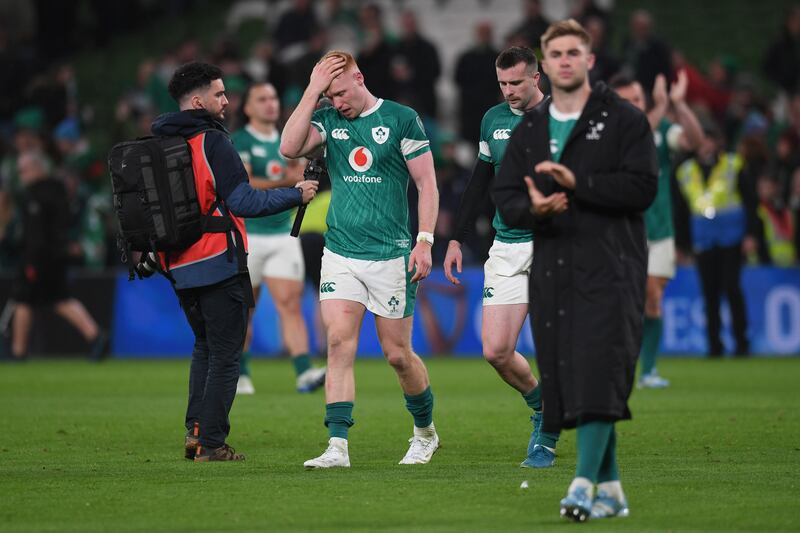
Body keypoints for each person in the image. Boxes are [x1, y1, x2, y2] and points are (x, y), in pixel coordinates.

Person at [493, 19, 657, 521]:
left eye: (573, 52)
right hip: (553, 270)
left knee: (596, 372)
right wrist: (534, 211)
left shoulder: (625, 120)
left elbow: (641, 189)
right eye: (556, 52)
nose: (565, 60)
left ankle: (583, 484)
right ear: (547, 60)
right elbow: (507, 196)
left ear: (588, 59)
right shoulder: (532, 130)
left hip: (611, 265)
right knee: (569, 377)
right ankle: (611, 489)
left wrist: (578, 183)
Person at [149, 61, 318, 462]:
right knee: (226, 354)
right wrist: (295, 194)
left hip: (177, 263)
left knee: (204, 348)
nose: (226, 101)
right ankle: (211, 443)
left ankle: (195, 433)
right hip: (216, 259)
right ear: (197, 100)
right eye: (219, 94)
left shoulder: (161, 142)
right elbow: (243, 200)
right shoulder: (213, 141)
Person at [281, 50, 440, 468]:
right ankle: (337, 447)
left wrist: (424, 240)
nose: (336, 103)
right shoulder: (329, 120)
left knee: (397, 355)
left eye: (338, 93)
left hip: (391, 255)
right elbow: (288, 147)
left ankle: (425, 433)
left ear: (360, 79)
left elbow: (426, 183)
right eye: (327, 96)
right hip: (341, 252)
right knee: (337, 342)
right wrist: (312, 90)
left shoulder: (402, 118)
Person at [443, 46, 559, 469]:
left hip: (554, 246)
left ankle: (545, 439)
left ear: (536, 79)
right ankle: (545, 406)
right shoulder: (493, 120)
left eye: (516, 82)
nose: (508, 91)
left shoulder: (561, 119)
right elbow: (479, 182)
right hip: (507, 246)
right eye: (502, 83)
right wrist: (455, 239)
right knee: (496, 350)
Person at [610, 70, 704, 388]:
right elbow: (637, 135)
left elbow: (695, 141)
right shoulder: (608, 131)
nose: (634, 106)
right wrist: (661, 107)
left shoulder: (661, 129)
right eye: (626, 101)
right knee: (628, 300)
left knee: (652, 298)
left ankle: (647, 370)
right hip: (618, 233)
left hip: (659, 230)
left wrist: (679, 105)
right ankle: (616, 367)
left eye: (638, 99)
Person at [232, 82, 326, 395]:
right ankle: (241, 372)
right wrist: (290, 182)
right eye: (262, 98)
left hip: (284, 233)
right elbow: (245, 183)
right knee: (246, 307)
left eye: (273, 97)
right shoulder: (241, 140)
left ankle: (303, 373)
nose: (270, 104)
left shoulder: (291, 138)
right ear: (247, 107)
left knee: (290, 304)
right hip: (250, 235)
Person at [8, 150, 108, 361]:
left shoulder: (35, 196)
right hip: (57, 255)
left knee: (23, 299)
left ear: (37, 169)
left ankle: (18, 352)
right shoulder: (57, 191)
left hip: (38, 258)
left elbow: (36, 235)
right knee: (60, 299)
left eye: (24, 170)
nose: (21, 174)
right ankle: (95, 335)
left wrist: (31, 263)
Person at [673, 126, 757, 357]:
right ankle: (714, 346)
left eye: (710, 140)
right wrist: (682, 244)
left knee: (731, 288)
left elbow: (751, 202)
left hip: (732, 237)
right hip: (703, 239)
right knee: (709, 293)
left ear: (718, 142)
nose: (706, 145)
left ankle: (741, 344)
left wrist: (751, 234)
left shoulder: (733, 164)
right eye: (702, 140)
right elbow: (680, 211)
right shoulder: (685, 170)